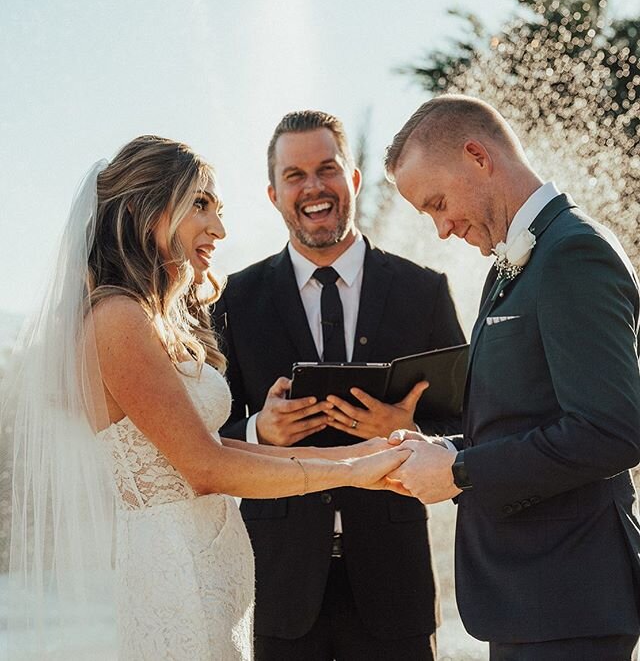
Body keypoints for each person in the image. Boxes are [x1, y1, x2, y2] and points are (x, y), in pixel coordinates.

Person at [4, 135, 411, 661]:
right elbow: (206, 467)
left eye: (217, 209)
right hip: (175, 572)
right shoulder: (115, 319)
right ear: (142, 209)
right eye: (200, 205)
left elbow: (218, 450)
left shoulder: (148, 318)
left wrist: (358, 456)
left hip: (211, 561)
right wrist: (353, 471)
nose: (218, 229)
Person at [384, 94, 640, 660]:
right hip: (534, 601)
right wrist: (442, 449)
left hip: (570, 602)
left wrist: (461, 470)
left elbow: (612, 431)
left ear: (478, 156)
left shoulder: (574, 255)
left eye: (438, 203)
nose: (442, 228)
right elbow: (529, 417)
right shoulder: (517, 263)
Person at [213, 110, 465, 660]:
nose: (313, 187)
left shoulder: (423, 292)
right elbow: (207, 436)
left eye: (326, 169)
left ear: (352, 178)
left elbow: (472, 423)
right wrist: (259, 430)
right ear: (274, 194)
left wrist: (412, 430)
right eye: (295, 175)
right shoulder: (235, 300)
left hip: (394, 582)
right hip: (277, 585)